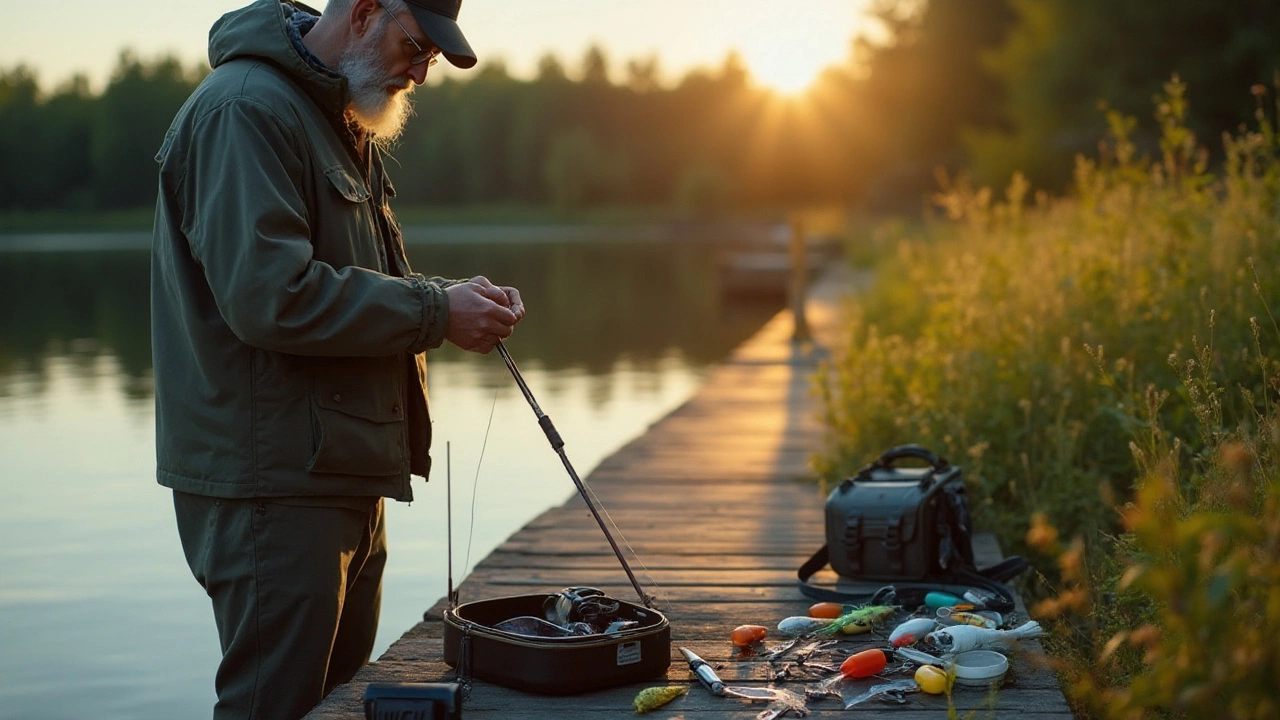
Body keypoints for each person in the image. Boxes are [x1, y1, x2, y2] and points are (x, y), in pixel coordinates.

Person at [150, 0, 521, 717]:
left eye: (433, 58)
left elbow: (349, 278)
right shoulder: (246, 110)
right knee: (276, 707)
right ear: (363, 13)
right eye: (415, 47)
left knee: (332, 706)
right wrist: (438, 313)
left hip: (338, 473)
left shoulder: (338, 114)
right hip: (275, 487)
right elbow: (271, 297)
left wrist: (448, 295)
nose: (421, 72)